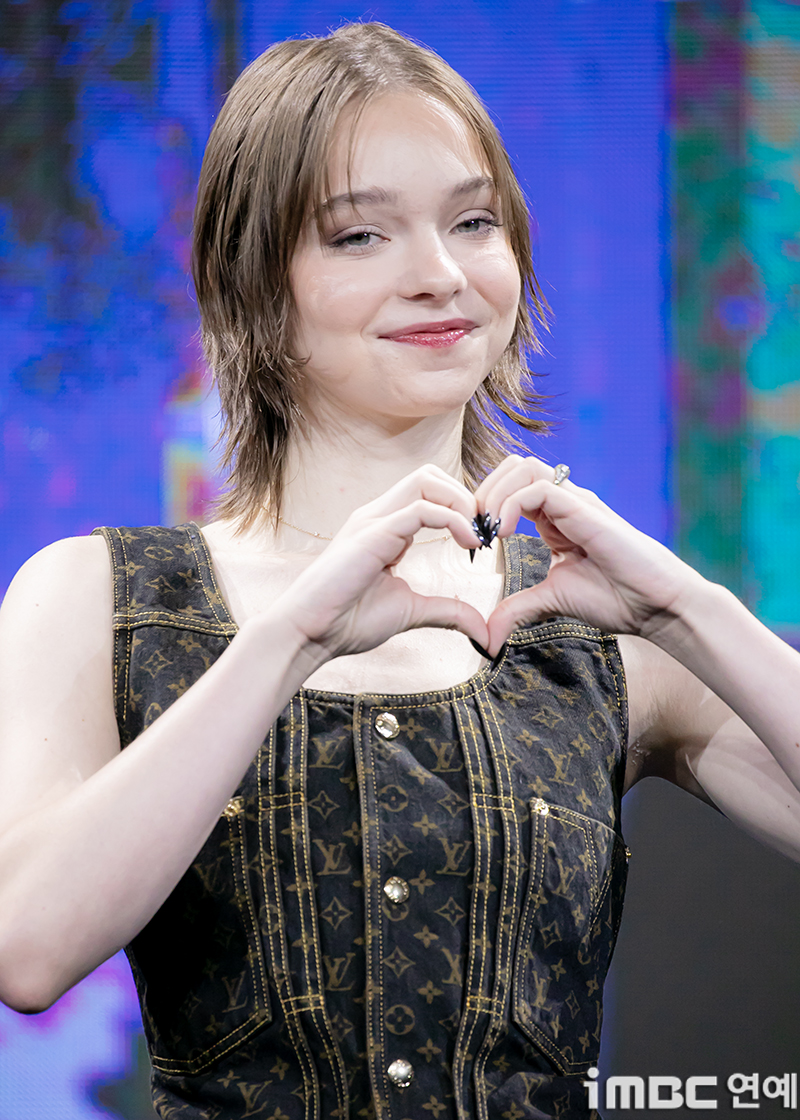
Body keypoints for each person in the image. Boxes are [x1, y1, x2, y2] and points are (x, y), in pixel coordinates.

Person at [0, 20, 798, 1120]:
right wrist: (288, 641)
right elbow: (27, 948)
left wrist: (687, 610)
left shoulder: (593, 625)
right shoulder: (103, 598)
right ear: (250, 279)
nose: (439, 276)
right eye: (359, 236)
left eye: (473, 222)